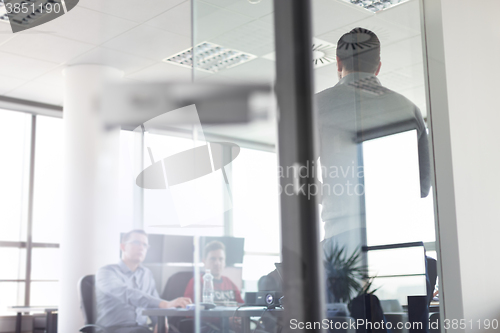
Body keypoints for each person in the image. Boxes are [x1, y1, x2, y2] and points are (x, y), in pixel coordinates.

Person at [316, 27, 431, 254]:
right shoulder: (409, 109)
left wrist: (335, 195)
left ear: (338, 63)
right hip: (398, 236)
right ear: (378, 67)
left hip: (342, 237)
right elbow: (423, 186)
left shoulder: (315, 106)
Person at [95, 230, 192, 333]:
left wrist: (159, 323)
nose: (141, 247)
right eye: (136, 242)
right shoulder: (106, 272)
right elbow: (126, 293)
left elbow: (154, 304)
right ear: (123, 247)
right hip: (113, 330)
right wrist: (164, 304)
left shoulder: (146, 274)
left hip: (141, 330)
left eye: (145, 245)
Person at [184, 240, 244, 305]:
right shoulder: (196, 282)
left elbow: (242, 308)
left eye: (221, 259)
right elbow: (188, 310)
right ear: (204, 261)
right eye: (213, 259)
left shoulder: (230, 283)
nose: (217, 263)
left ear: (225, 262)